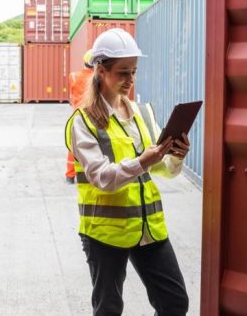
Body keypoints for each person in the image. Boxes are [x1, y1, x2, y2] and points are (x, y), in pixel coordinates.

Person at [64, 28, 191, 316]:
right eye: (123, 73)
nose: (130, 80)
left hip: (148, 226)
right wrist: (143, 162)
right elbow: (102, 178)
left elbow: (163, 169)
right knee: (108, 309)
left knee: (174, 303)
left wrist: (176, 156)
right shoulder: (83, 123)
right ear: (101, 70)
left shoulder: (142, 113)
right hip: (105, 233)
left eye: (133, 71)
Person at [65, 49, 95, 184]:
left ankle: (70, 176)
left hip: (77, 115)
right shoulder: (97, 78)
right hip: (93, 115)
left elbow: (71, 94)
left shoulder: (73, 76)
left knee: (73, 145)